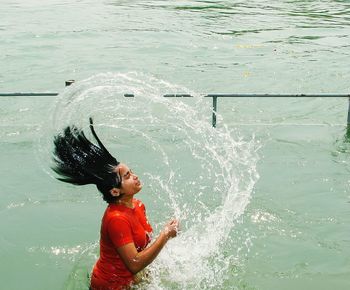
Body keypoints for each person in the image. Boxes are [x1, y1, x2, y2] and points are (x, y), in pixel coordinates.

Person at [52, 118, 179, 290]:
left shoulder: (138, 205)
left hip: (130, 282)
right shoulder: (116, 218)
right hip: (109, 286)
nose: (135, 176)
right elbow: (134, 263)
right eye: (127, 176)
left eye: (131, 172)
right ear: (115, 191)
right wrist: (165, 235)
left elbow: (141, 250)